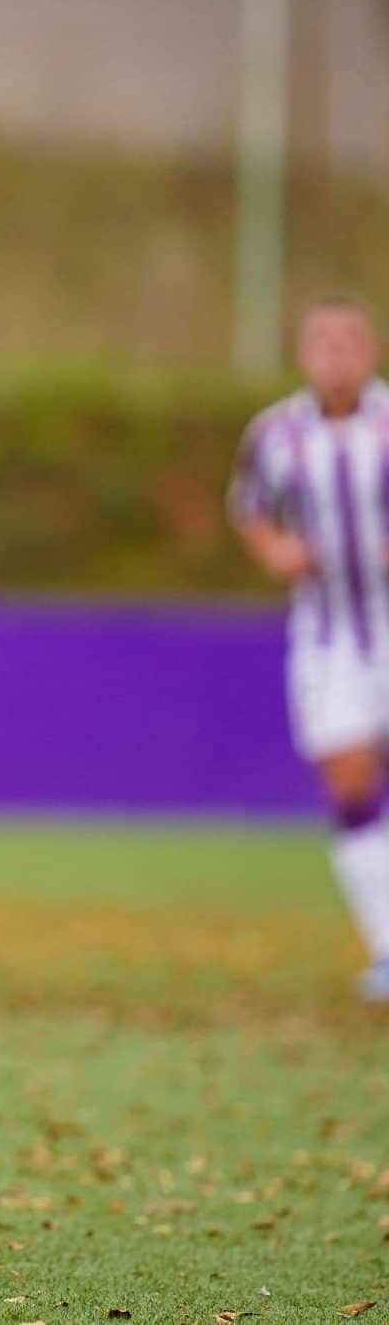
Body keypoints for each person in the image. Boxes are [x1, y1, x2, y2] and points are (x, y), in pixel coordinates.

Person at [231, 296, 389, 1000]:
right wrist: (275, 550)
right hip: (329, 635)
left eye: (349, 339)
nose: (337, 352)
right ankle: (388, 943)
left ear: (372, 348)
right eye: (322, 340)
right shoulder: (276, 433)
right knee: (350, 779)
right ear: (303, 353)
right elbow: (250, 506)